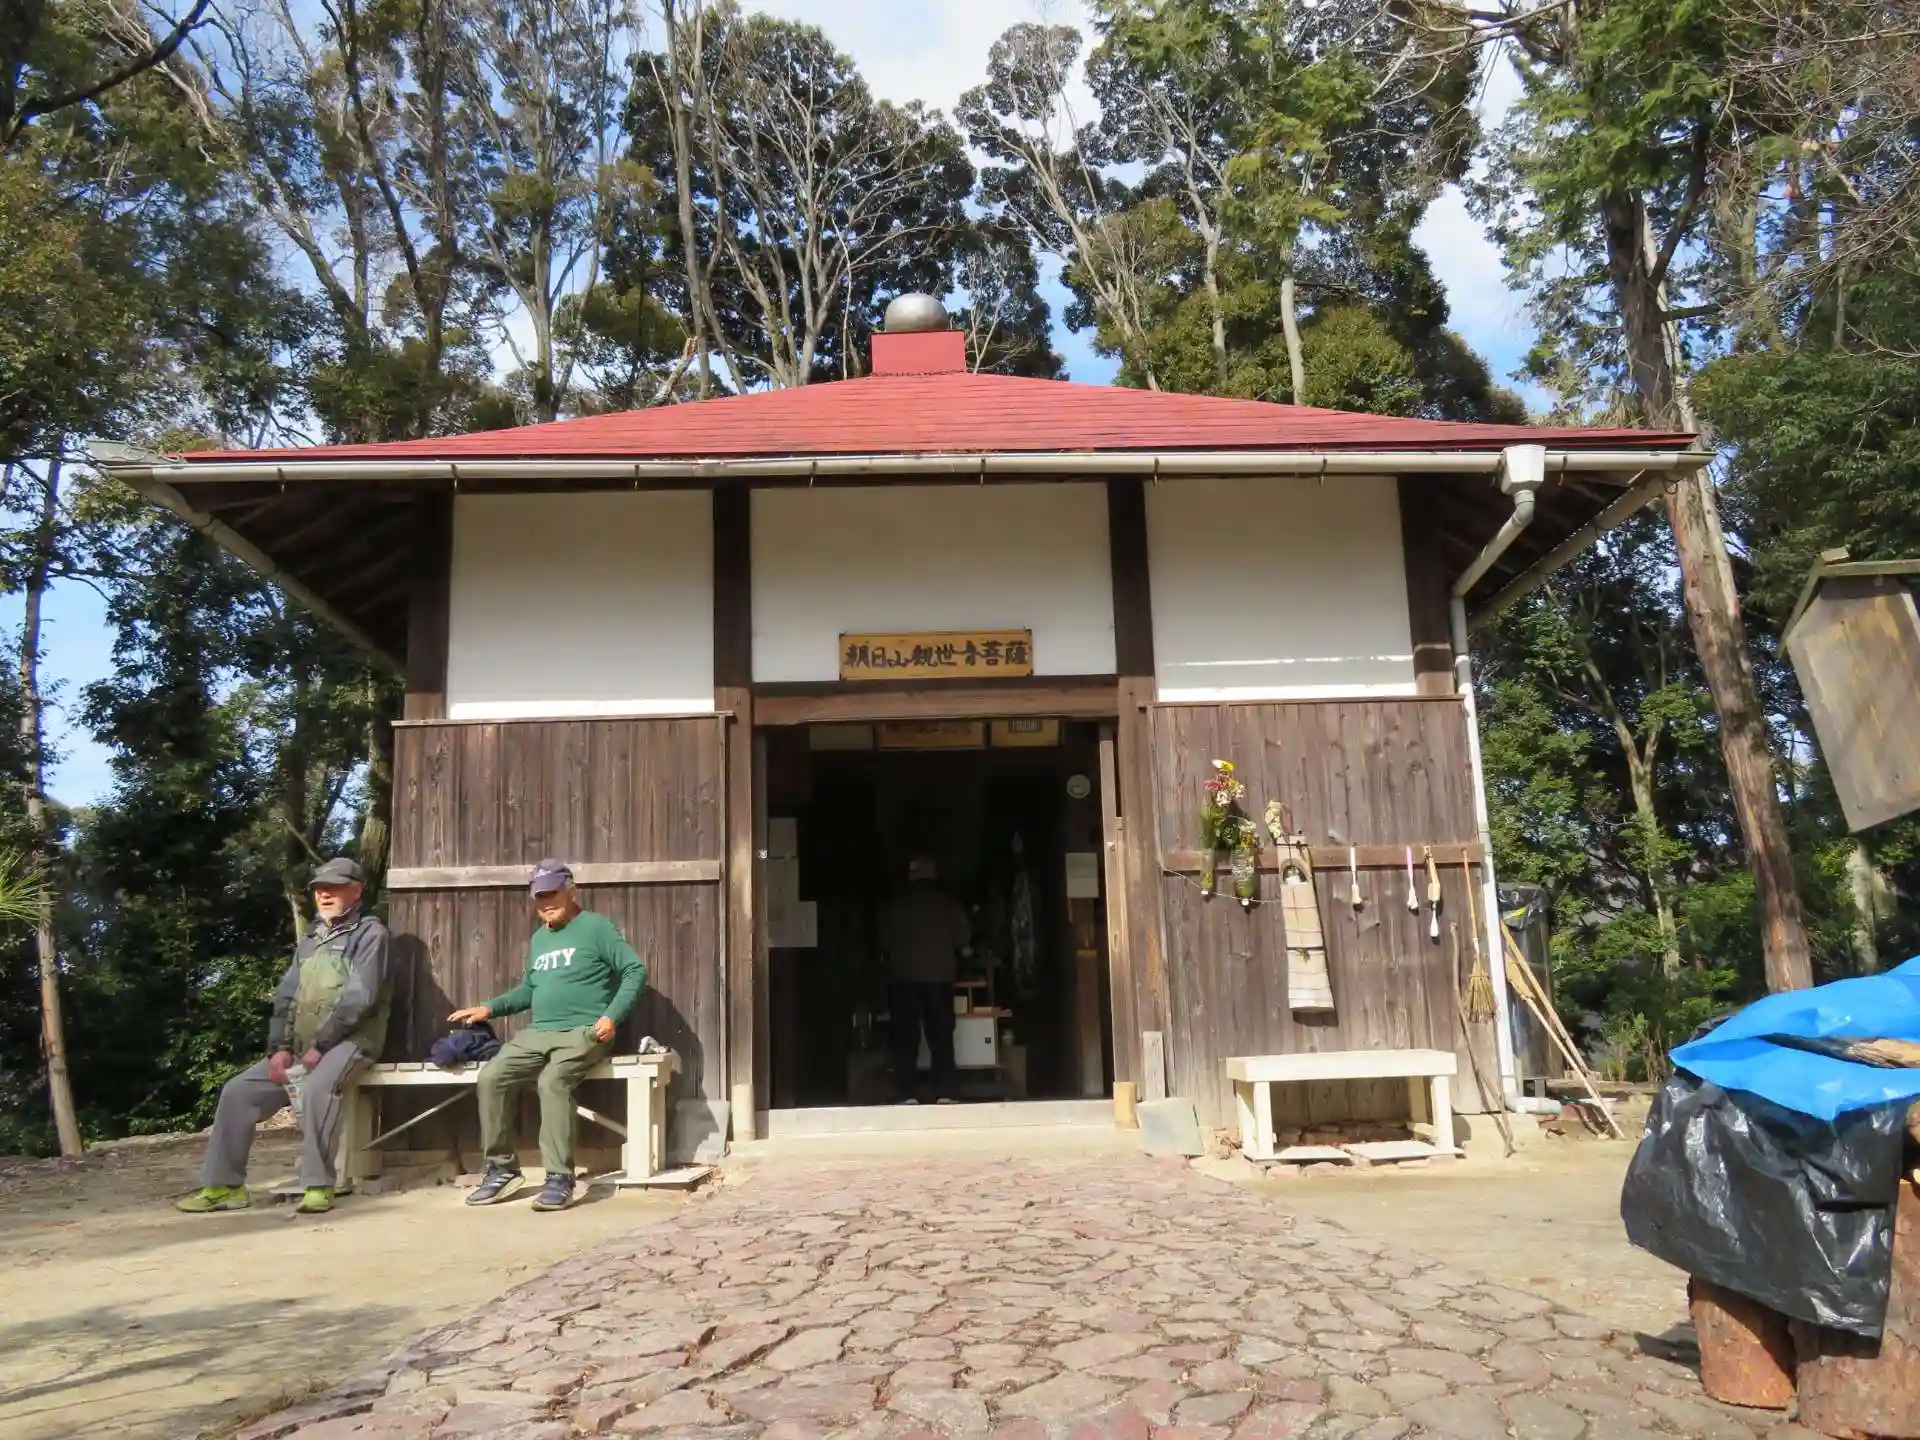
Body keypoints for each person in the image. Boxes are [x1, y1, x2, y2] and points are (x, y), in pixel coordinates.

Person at [175, 857, 390, 1217]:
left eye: (334, 887)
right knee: (238, 1092)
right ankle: (225, 1185)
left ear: (357, 890)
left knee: (319, 1087)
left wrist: (321, 1047)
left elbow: (359, 1000)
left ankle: (319, 1185)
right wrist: (279, 1049)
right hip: (303, 1046)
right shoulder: (310, 939)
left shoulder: (371, 935)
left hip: (352, 1043)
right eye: (319, 889)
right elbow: (286, 997)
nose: (324, 894)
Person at [450, 859, 646, 1211]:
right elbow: (529, 990)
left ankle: (559, 1177)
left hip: (583, 1030)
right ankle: (502, 1169)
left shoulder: (596, 927)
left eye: (552, 893)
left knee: (552, 1081)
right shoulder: (539, 939)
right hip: (540, 1031)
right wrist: (489, 1008)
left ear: (571, 891)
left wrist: (612, 1016)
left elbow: (634, 970)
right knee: (492, 1077)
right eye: (539, 896)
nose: (546, 902)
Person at [879, 856, 971, 1104]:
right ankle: (945, 1091)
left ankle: (907, 1092)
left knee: (906, 1037)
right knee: (941, 1036)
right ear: (934, 876)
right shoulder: (948, 905)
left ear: (911, 877)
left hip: (904, 977)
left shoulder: (898, 906)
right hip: (939, 977)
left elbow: (885, 941)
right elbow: (963, 938)